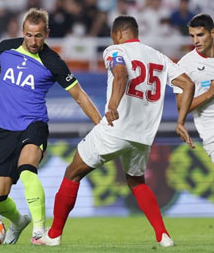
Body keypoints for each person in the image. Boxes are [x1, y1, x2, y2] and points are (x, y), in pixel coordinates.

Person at [31, 15, 195, 247]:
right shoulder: (159, 56)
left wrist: (112, 106)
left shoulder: (114, 51)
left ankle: (54, 234)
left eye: (112, 37)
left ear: (118, 34)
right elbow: (188, 84)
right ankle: (163, 235)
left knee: (73, 173)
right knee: (136, 181)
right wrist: (181, 121)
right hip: (144, 135)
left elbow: (121, 74)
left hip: (116, 128)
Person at [0, 8, 101, 243]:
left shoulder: (53, 61)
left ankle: (39, 231)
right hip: (5, 129)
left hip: (34, 125)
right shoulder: (6, 48)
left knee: (27, 171)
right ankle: (18, 220)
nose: (33, 41)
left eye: (38, 35)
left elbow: (79, 95)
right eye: (29, 35)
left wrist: (101, 124)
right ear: (23, 32)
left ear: (46, 33)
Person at [173, 13, 214, 179]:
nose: (195, 41)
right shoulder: (185, 65)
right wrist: (210, 93)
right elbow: (181, 107)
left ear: (213, 32)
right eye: (192, 36)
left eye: (200, 35)